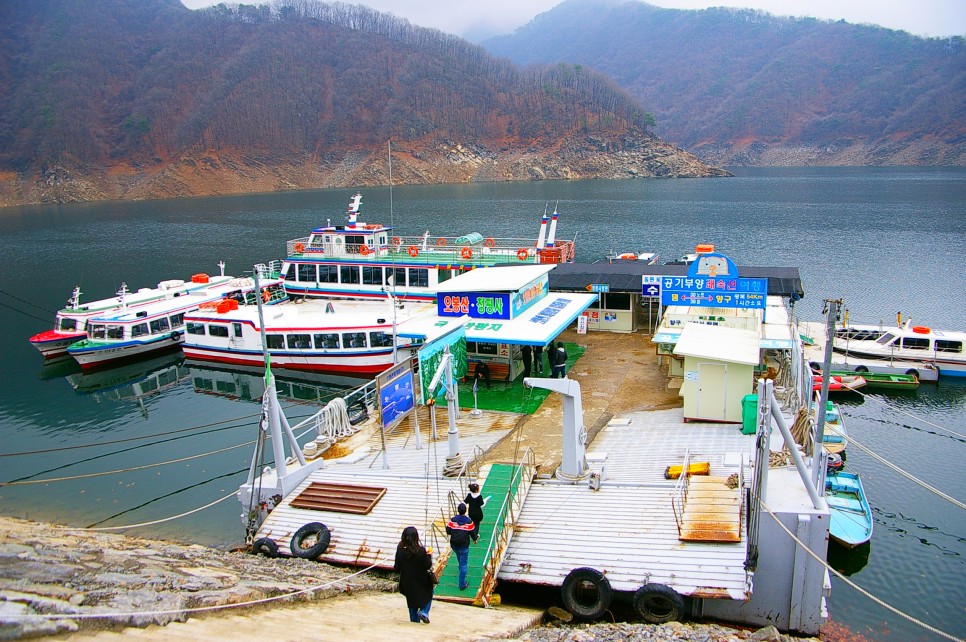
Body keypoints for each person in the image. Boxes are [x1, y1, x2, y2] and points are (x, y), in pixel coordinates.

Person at [394, 526, 434, 624]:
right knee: (430, 593)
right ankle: (424, 612)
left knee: (412, 603)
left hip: (407, 581)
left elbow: (397, 568)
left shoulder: (400, 551)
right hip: (422, 580)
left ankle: (414, 622)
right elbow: (427, 565)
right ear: (416, 537)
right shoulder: (421, 551)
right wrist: (429, 556)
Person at [446, 502, 477, 591]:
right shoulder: (469, 522)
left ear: (458, 511)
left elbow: (448, 531)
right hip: (464, 546)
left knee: (459, 558)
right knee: (464, 565)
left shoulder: (453, 520)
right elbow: (473, 533)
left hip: (454, 545)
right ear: (465, 511)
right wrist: (475, 539)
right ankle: (462, 584)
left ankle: (460, 568)